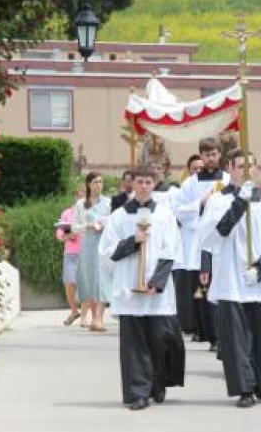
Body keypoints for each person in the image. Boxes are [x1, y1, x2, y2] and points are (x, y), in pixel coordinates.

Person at [199, 149, 261, 408]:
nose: (246, 170)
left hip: (260, 283)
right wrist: (239, 204)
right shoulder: (218, 201)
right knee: (236, 340)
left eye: (250, 165)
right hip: (231, 282)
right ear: (230, 168)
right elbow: (209, 239)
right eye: (240, 166)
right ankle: (244, 389)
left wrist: (260, 269)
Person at [99, 166, 185, 410]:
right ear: (132, 184)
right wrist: (133, 241)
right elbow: (106, 253)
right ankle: (137, 392)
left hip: (157, 291)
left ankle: (157, 383)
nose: (144, 185)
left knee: (160, 339)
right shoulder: (119, 217)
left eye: (149, 181)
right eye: (140, 181)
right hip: (129, 289)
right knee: (134, 344)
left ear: (154, 184)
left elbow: (173, 251)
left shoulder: (165, 215)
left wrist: (156, 283)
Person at [174, 137, 229, 349]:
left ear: (219, 154)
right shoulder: (190, 184)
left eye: (214, 154)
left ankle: (220, 335)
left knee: (220, 287)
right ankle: (205, 332)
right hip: (196, 242)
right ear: (202, 156)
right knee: (202, 291)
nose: (211, 158)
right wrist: (201, 203)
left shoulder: (225, 180)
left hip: (221, 241)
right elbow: (179, 211)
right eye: (207, 155)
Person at [75, 172, 112, 332]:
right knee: (89, 279)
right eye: (96, 182)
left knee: (101, 279)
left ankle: (99, 318)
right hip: (88, 243)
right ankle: (92, 316)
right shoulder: (81, 204)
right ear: (89, 184)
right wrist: (87, 226)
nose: (99, 185)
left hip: (103, 243)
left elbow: (114, 222)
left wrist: (105, 226)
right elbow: (74, 226)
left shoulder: (109, 203)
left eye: (101, 182)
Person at [55, 185, 86, 326]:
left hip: (87, 252)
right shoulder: (67, 213)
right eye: (79, 195)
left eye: (84, 195)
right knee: (69, 282)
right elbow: (59, 234)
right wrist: (67, 236)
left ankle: (85, 316)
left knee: (86, 284)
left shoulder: (90, 212)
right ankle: (74, 311)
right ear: (75, 196)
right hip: (71, 253)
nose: (81, 198)